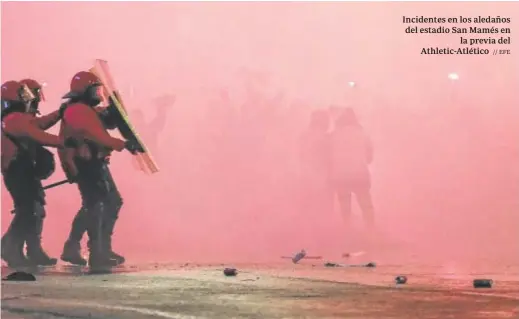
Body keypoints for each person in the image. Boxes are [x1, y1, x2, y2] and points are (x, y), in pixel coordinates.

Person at [57, 71, 143, 268]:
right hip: (85, 164)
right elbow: (95, 134)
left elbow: (106, 121)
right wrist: (123, 144)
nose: (98, 93)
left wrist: (114, 109)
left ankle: (88, 247)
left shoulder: (84, 109)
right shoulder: (77, 111)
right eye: (95, 89)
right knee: (97, 205)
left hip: (93, 162)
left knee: (103, 203)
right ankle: (97, 252)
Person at [1, 80, 66, 267]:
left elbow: (38, 124)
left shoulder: (15, 118)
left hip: (22, 169)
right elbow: (39, 134)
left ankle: (31, 250)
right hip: (18, 170)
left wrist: (59, 113)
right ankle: (10, 246)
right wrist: (66, 142)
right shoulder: (13, 119)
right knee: (28, 211)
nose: (30, 98)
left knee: (34, 210)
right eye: (24, 94)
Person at [328, 108, 375, 230]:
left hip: (340, 175)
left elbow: (328, 156)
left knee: (345, 206)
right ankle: (370, 230)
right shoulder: (363, 133)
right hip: (360, 174)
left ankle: (348, 231)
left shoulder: (334, 135)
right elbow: (370, 157)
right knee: (366, 205)